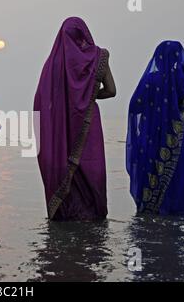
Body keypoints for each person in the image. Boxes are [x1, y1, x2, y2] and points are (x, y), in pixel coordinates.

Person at [34, 17, 116, 221]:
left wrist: (68, 102)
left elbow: (42, 100)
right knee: (91, 165)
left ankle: (65, 215)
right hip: (89, 122)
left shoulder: (54, 64)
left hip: (62, 125)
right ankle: (94, 215)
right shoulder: (99, 57)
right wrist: (87, 95)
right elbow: (111, 91)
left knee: (64, 163)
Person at [126, 41, 184, 215]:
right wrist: (174, 113)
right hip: (174, 141)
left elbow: (134, 107)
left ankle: (150, 210)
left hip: (150, 139)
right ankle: (177, 211)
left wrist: (155, 112)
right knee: (177, 175)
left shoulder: (150, 80)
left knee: (150, 173)